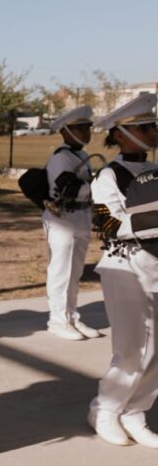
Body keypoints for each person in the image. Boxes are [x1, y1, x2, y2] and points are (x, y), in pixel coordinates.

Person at [88, 92, 158, 448]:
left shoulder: (153, 169)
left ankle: (135, 410)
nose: (153, 132)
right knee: (130, 348)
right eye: (146, 127)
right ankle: (105, 409)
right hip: (124, 267)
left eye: (153, 125)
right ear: (122, 134)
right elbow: (111, 226)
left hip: (155, 267)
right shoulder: (108, 176)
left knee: (156, 349)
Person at [42, 106, 100, 341]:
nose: (87, 133)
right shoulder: (60, 157)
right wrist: (96, 185)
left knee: (75, 272)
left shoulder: (82, 156)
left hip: (81, 216)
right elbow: (65, 189)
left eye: (88, 128)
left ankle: (71, 316)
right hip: (62, 219)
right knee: (61, 270)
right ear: (66, 131)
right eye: (81, 128)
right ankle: (57, 321)